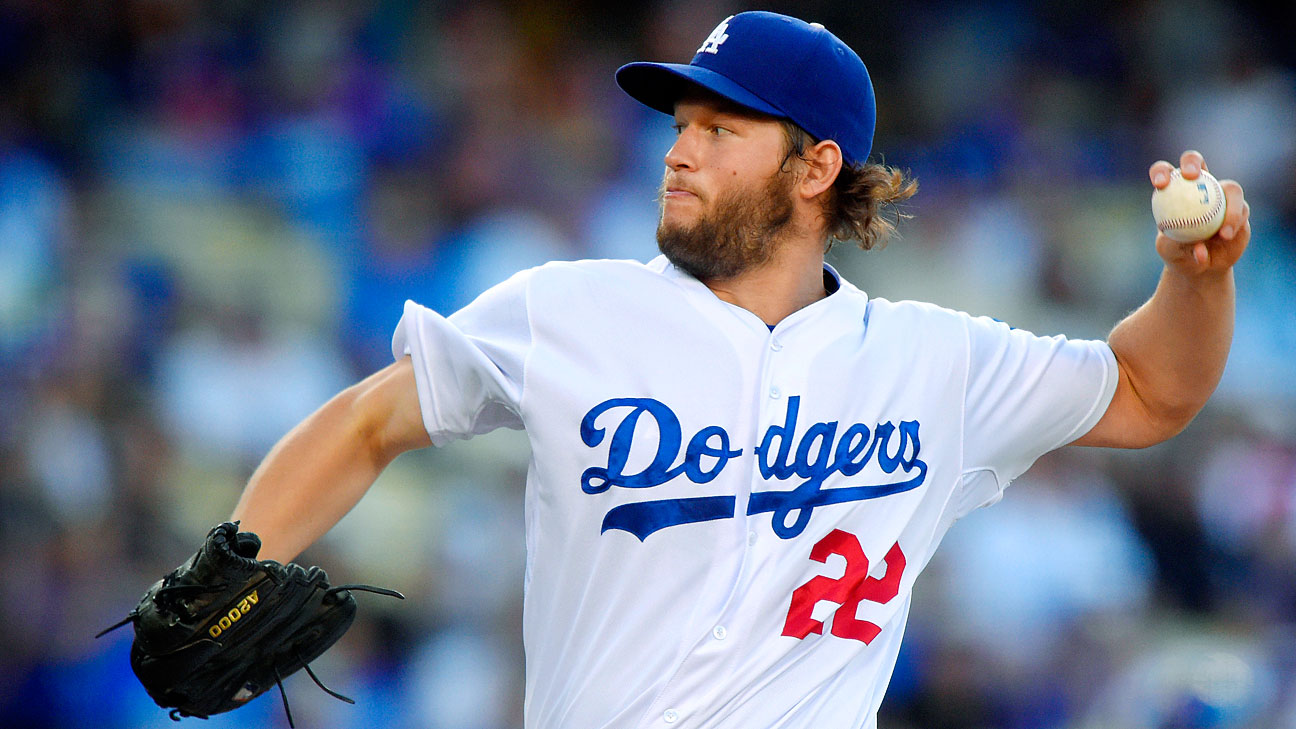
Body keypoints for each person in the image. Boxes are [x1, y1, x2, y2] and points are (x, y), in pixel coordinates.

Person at [228, 11, 1251, 728]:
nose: (680, 153)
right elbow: (372, 420)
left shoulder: (932, 362)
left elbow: (1151, 389)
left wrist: (1197, 280)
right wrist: (228, 561)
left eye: (722, 129)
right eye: (680, 127)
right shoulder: (570, 311)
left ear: (817, 169)